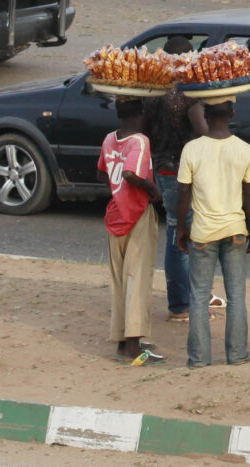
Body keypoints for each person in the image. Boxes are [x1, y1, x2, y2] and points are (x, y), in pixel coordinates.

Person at [174, 101, 250, 368]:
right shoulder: (245, 150)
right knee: (236, 296)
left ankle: (199, 359)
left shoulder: (192, 149)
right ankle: (237, 355)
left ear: (205, 116)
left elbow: (183, 193)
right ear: (232, 113)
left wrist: (181, 229)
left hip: (203, 232)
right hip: (236, 230)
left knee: (199, 296)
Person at [99, 99, 165, 365]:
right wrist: (151, 189)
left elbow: (103, 174)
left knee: (119, 280)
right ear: (142, 113)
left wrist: (117, 190)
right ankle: (134, 347)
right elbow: (130, 173)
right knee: (137, 278)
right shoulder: (140, 141)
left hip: (115, 213)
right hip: (137, 213)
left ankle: (121, 340)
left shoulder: (108, 139)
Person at [144, 86, 210, 324]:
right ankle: (182, 303)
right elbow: (202, 130)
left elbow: (144, 132)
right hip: (182, 171)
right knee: (186, 234)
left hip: (161, 167)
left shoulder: (151, 95)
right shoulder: (187, 96)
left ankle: (181, 300)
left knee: (175, 228)